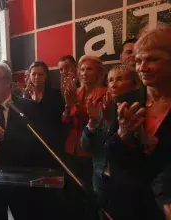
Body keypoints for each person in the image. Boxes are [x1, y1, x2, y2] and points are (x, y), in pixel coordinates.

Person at [0, 62, 64, 220]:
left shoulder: (29, 108)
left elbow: (40, 146)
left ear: (8, 81)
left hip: (21, 181)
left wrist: (4, 137)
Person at [105, 25, 171, 220]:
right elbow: (111, 154)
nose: (143, 67)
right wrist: (122, 135)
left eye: (153, 59)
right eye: (139, 60)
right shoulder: (126, 101)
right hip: (127, 206)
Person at [80, 64, 141, 218]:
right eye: (111, 80)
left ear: (135, 83)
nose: (113, 84)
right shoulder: (100, 109)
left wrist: (108, 122)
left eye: (119, 79)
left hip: (128, 181)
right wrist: (93, 123)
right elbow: (86, 147)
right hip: (100, 177)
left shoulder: (139, 108)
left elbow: (122, 149)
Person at [62, 55, 107, 220]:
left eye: (89, 69)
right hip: (71, 148)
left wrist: (75, 105)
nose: (84, 73)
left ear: (98, 73)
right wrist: (68, 105)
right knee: (72, 192)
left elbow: (98, 123)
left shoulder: (104, 93)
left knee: (89, 193)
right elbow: (65, 120)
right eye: (82, 69)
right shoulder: (75, 92)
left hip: (90, 151)